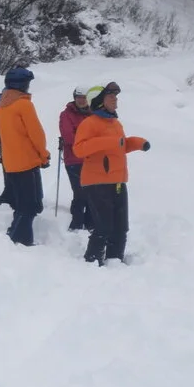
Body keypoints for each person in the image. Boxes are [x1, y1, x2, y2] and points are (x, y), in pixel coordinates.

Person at [72, 81, 150, 265]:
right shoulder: (89, 123)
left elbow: (120, 145)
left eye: (116, 97)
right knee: (103, 227)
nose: (116, 100)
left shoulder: (115, 123)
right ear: (99, 101)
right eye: (111, 97)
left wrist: (138, 143)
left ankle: (115, 262)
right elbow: (79, 149)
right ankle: (92, 262)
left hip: (117, 180)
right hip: (97, 182)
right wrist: (110, 142)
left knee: (121, 227)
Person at [0, 66, 51, 246]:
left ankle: (16, 234)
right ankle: (19, 241)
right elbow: (36, 134)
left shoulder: (2, 105)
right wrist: (44, 155)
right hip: (27, 163)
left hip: (10, 164)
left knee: (22, 205)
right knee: (30, 206)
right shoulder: (23, 104)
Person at [58, 85, 100, 231]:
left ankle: (90, 222)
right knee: (80, 192)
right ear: (74, 98)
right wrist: (90, 142)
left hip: (91, 160)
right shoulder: (66, 115)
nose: (81, 101)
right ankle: (76, 223)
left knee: (92, 191)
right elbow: (69, 137)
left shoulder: (93, 114)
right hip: (74, 159)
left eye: (84, 98)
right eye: (79, 98)